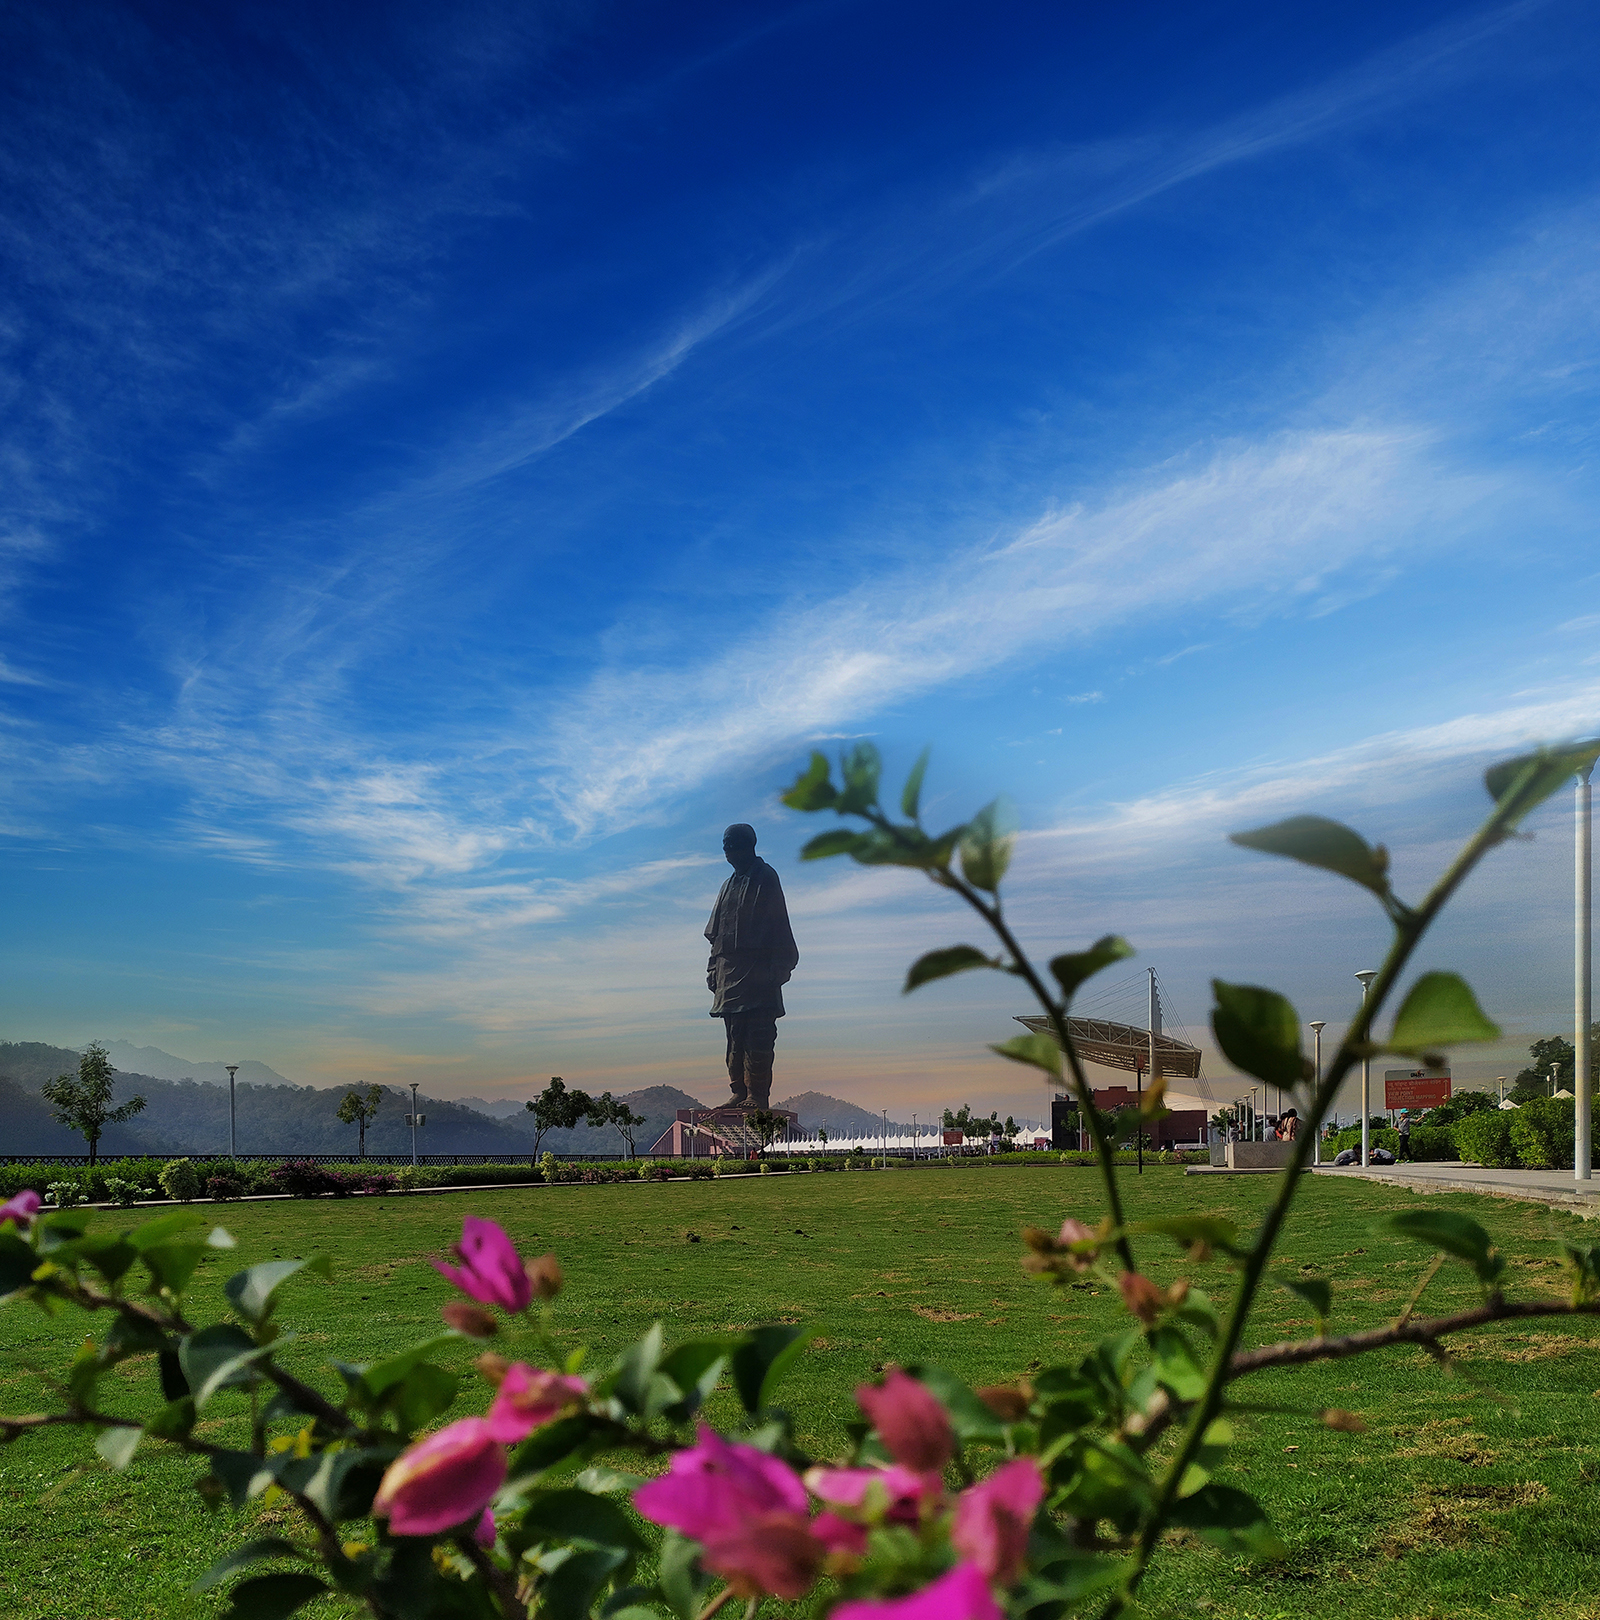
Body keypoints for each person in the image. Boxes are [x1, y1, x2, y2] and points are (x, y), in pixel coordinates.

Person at [705, 824, 799, 1110]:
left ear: (747, 845)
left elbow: (778, 924)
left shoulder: (766, 877)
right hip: (729, 971)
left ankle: (757, 1095)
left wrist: (779, 967)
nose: (726, 849)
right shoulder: (727, 885)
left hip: (758, 971)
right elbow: (716, 934)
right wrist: (712, 968)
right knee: (734, 1039)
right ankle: (738, 1091)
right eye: (724, 844)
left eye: (730, 843)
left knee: (758, 1037)